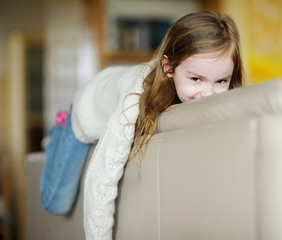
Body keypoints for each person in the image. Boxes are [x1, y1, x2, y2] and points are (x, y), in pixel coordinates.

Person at [40, 11, 244, 239]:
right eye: (196, 79)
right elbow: (101, 178)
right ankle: (58, 131)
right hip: (85, 108)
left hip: (114, 81)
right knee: (56, 203)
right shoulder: (133, 102)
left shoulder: (204, 92)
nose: (208, 94)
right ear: (168, 67)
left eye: (221, 81)